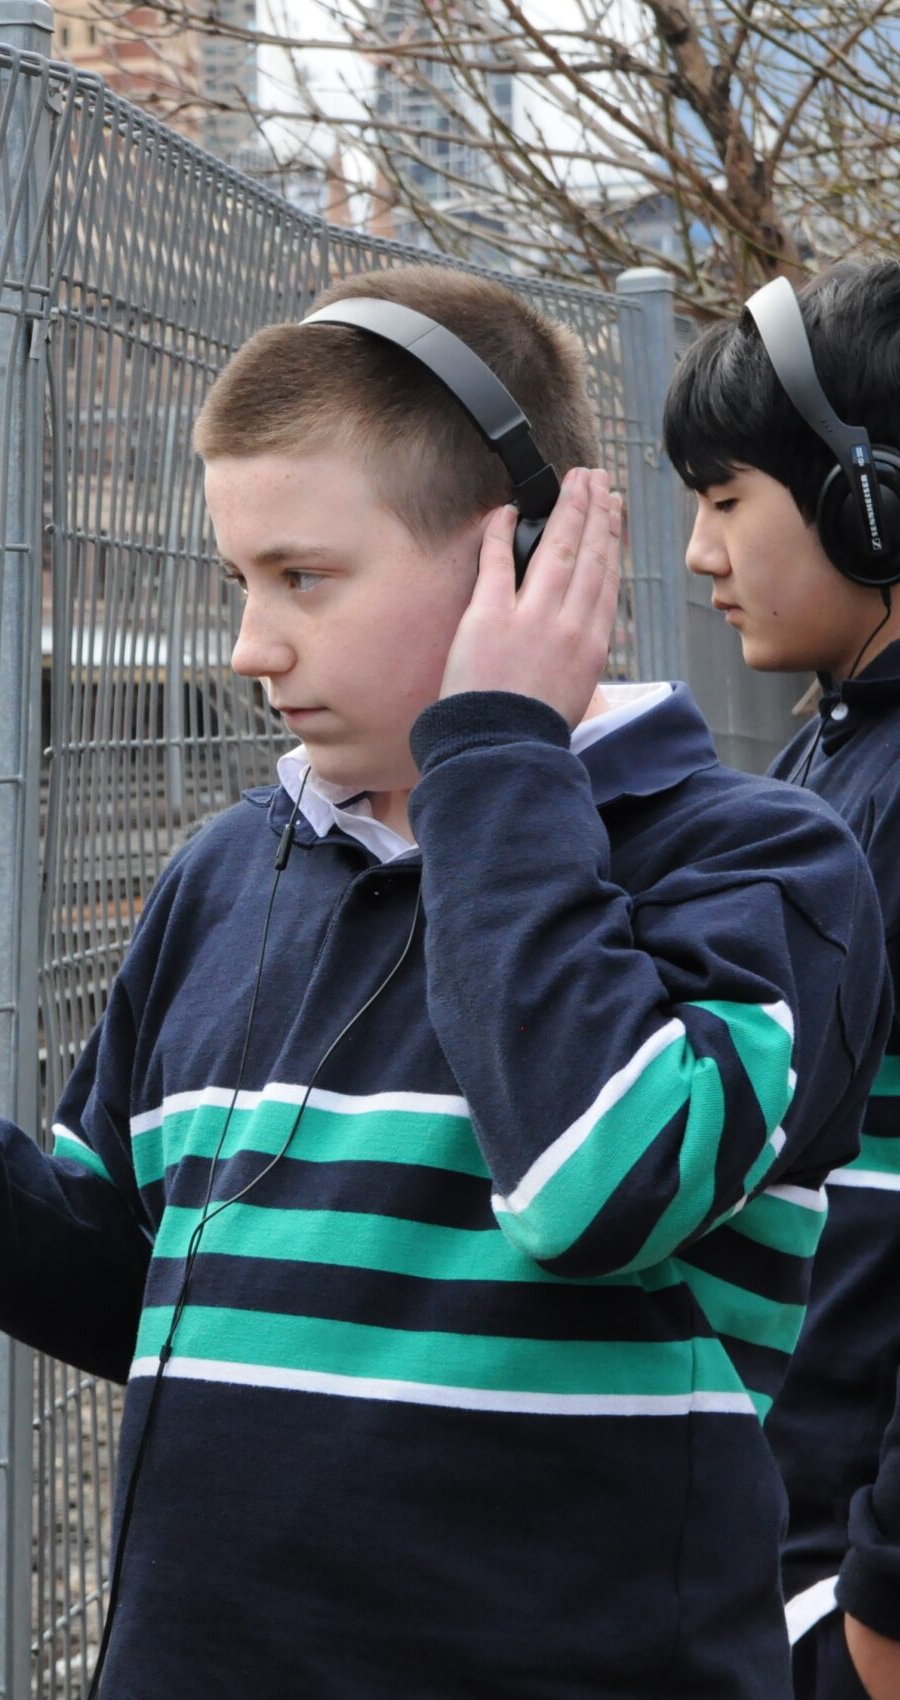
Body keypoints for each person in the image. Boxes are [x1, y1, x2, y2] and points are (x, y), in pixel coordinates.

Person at [0, 266, 892, 1697]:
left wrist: (495, 753)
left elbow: (596, 1182)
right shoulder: (227, 879)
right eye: (240, 582)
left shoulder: (759, 869)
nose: (253, 647)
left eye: (304, 579)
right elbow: (130, 1275)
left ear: (518, 557)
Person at [664, 257, 900, 1700]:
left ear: (869, 499)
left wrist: (881, 1590)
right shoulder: (840, 748)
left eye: (728, 497)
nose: (699, 554)